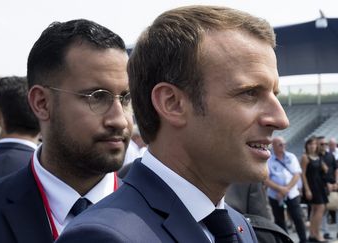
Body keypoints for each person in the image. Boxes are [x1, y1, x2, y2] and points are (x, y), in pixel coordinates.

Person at [57, 5, 289, 243]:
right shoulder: (103, 237)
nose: (281, 119)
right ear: (172, 103)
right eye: (250, 93)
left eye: (275, 94)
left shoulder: (238, 225)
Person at [0, 19, 132, 243]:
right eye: (97, 97)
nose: (120, 120)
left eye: (126, 98)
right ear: (41, 103)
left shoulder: (164, 218)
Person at [264, 136, 306, 242]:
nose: (283, 146)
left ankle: (303, 240)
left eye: (284, 144)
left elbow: (297, 175)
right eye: (280, 144)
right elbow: (266, 179)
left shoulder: (291, 157)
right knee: (280, 221)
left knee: (298, 218)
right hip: (275, 195)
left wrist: (286, 189)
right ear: (273, 146)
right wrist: (280, 189)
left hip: (291, 193)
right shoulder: (268, 160)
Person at [301, 136, 329, 242]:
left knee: (315, 210)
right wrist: (307, 189)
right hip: (312, 186)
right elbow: (302, 174)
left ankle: (312, 234)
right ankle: (317, 233)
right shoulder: (305, 157)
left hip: (319, 185)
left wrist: (324, 167)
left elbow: (325, 170)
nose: (312, 146)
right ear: (307, 146)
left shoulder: (318, 157)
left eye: (314, 144)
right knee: (320, 208)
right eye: (310, 144)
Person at [317, 136, 338, 240]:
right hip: (322, 187)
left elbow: (336, 169)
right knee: (323, 211)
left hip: (334, 186)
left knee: (337, 208)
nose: (324, 146)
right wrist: (326, 185)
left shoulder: (331, 155)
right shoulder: (316, 157)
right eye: (322, 144)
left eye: (326, 144)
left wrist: (336, 183)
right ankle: (325, 232)